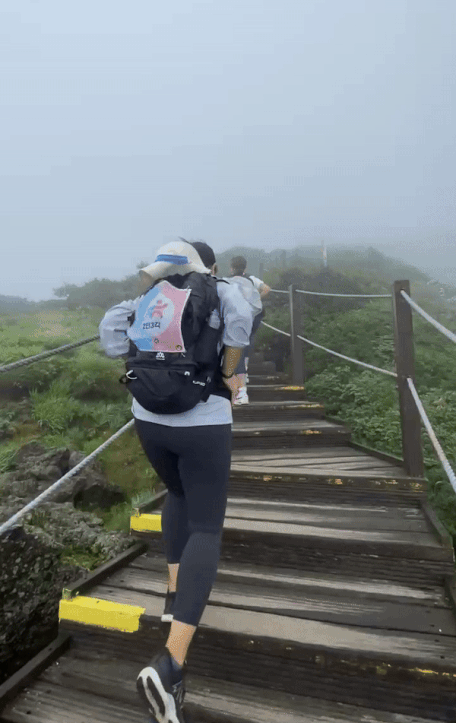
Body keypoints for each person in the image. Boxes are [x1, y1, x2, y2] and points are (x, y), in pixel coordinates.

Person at [98, 240, 252, 723]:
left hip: (148, 417)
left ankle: (172, 594)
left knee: (177, 494)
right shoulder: (221, 291)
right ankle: (171, 666)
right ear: (207, 264)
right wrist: (230, 375)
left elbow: (110, 338)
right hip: (203, 419)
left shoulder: (146, 298)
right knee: (207, 527)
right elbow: (242, 327)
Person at [229, 255, 271, 405]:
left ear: (232, 268)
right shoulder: (252, 279)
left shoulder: (227, 281)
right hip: (253, 314)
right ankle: (244, 369)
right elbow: (267, 289)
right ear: (245, 268)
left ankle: (240, 381)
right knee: (250, 337)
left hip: (237, 316)